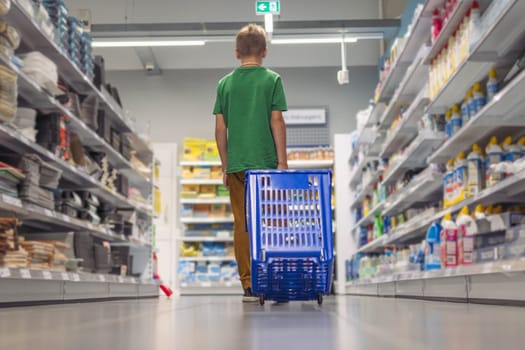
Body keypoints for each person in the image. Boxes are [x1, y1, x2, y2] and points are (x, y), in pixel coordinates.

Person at [213, 23, 288, 302]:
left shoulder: (225, 84)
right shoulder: (272, 79)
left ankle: (249, 284)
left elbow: (221, 129)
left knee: (243, 224)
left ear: (236, 53)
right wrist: (282, 163)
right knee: (275, 221)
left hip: (238, 166)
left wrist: (225, 165)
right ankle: (276, 279)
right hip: (267, 165)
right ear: (265, 52)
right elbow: (277, 121)